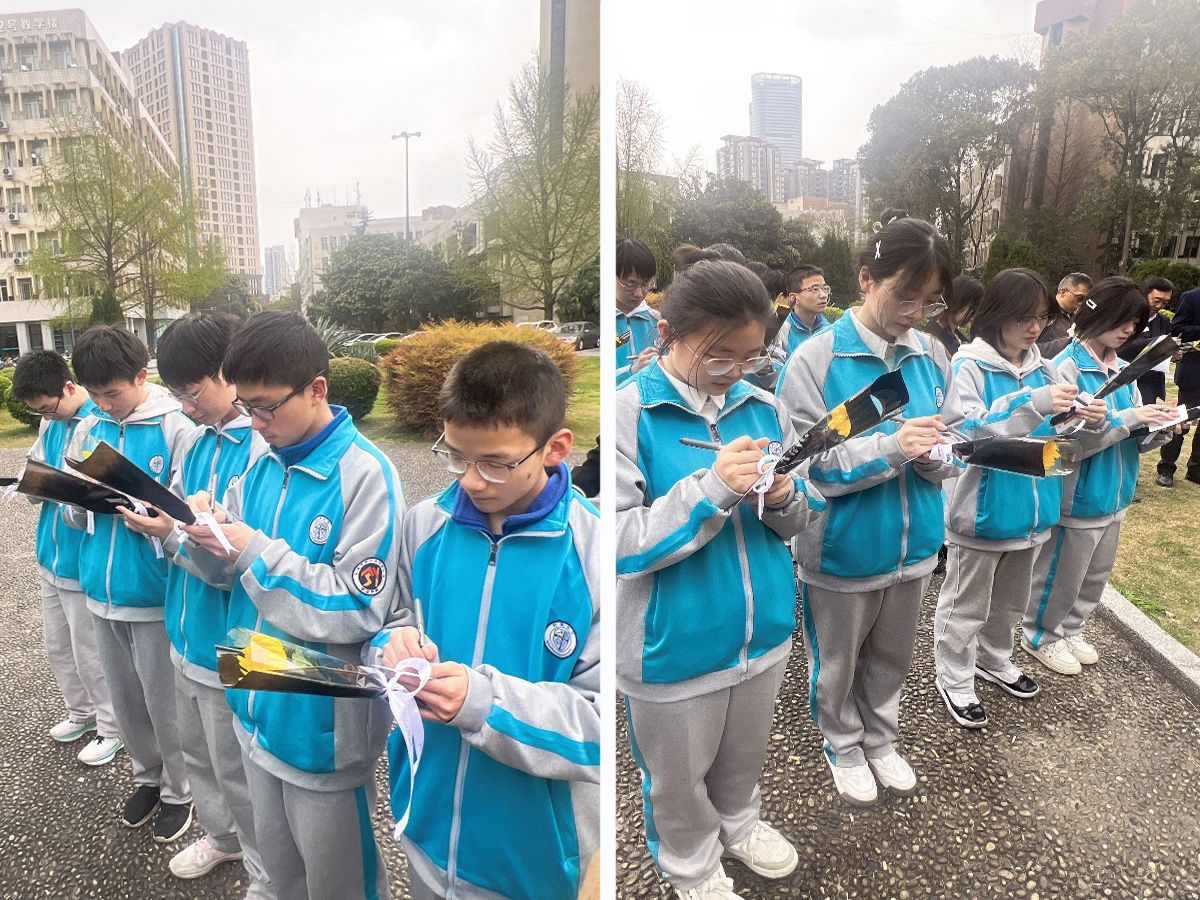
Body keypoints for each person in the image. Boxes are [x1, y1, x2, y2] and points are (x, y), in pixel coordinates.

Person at [179, 311, 404, 900]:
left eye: (266, 408)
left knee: (338, 879)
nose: (255, 423)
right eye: (246, 406)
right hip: (251, 694)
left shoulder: (367, 476)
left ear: (317, 389)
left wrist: (254, 550)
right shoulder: (260, 462)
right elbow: (226, 574)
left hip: (320, 722)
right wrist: (199, 534)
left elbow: (358, 608)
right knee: (279, 867)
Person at [616, 260, 823, 899]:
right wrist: (710, 490)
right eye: (718, 357)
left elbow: (802, 514)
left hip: (763, 632)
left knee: (744, 755)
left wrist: (785, 496)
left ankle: (739, 822)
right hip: (672, 647)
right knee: (676, 778)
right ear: (667, 334)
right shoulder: (630, 412)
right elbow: (617, 543)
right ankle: (691, 863)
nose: (735, 372)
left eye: (751, 356)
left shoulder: (763, 407)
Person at [371, 341, 600, 900]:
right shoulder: (423, 525)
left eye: (496, 463)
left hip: (531, 863)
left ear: (556, 448)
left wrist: (484, 704)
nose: (471, 480)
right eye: (456, 456)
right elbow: (390, 619)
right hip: (424, 831)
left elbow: (599, 731)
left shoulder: (595, 552)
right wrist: (391, 645)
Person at [776, 209, 960, 808]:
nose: (916, 313)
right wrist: (894, 448)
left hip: (915, 545)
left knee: (892, 657)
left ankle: (881, 738)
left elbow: (952, 441)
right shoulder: (816, 361)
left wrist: (937, 457)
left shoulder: (931, 355)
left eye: (929, 301)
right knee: (836, 662)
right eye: (906, 296)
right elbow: (803, 465)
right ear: (865, 279)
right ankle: (843, 743)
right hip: (842, 549)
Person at [116, 314, 272, 893]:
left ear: (230, 374)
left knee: (239, 770)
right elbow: (180, 514)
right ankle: (223, 837)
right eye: (177, 394)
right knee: (199, 754)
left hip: (228, 642)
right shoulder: (202, 441)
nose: (185, 407)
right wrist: (163, 523)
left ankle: (265, 872)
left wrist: (173, 536)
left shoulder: (260, 451)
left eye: (193, 392)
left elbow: (242, 563)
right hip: (183, 630)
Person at [932, 269, 1103, 729]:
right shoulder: (968, 366)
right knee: (966, 605)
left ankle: (993, 658)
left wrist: (1080, 415)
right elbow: (967, 433)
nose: (1034, 328)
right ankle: (954, 676)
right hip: (982, 512)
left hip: (1034, 510)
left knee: (1010, 601)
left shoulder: (1043, 367)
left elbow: (1056, 434)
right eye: (1024, 317)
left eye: (1041, 318)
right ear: (996, 315)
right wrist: (1036, 401)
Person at [62, 325, 197, 842]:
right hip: (100, 589)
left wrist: (153, 517)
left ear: (142, 377)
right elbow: (73, 512)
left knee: (165, 702)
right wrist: (79, 500)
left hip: (153, 591)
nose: (103, 404)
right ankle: (147, 776)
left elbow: (188, 514)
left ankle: (179, 790)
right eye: (93, 393)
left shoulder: (175, 427)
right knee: (125, 700)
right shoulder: (87, 426)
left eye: (112, 393)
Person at [1023, 278, 1175, 676]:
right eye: (1123, 319)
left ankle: (1071, 629)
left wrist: (1161, 427)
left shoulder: (1124, 370)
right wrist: (1129, 419)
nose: (1129, 330)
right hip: (1077, 497)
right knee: (1061, 575)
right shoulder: (1064, 368)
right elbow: (1062, 444)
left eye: (1136, 323)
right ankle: (1040, 634)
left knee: (1094, 576)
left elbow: (1131, 438)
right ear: (1098, 312)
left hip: (1114, 494)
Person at [10, 351, 121, 766]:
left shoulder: (97, 424)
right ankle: (82, 713)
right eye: (37, 411)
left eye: (47, 407)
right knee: (59, 647)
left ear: (69, 388)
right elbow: (36, 468)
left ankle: (112, 727)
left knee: (90, 651)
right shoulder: (50, 423)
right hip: (50, 554)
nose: (45, 416)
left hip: (80, 559)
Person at [1158, 282, 1200, 486]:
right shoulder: (1192, 297)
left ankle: (1196, 469)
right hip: (1194, 371)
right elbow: (1177, 329)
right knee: (1181, 421)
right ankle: (1166, 468)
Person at [1118, 275, 1174, 406]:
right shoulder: (1127, 317)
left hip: (1150, 383)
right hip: (1126, 378)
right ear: (1144, 295)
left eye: (1165, 302)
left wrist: (1172, 352)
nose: (1160, 306)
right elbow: (1121, 346)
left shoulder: (1163, 321)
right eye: (1156, 300)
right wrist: (1157, 342)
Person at [616, 237, 661, 385]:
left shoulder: (658, 322)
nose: (639, 293)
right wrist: (633, 371)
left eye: (645, 285)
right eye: (630, 284)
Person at [769, 265, 831, 362]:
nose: (823, 295)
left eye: (825, 288)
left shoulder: (829, 330)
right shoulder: (781, 332)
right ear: (794, 298)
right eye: (815, 289)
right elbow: (776, 367)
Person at [924, 273, 981, 358]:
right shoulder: (933, 337)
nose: (975, 315)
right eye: (973, 308)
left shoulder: (959, 337)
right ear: (958, 301)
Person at [1038, 272, 1092, 358]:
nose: (1082, 304)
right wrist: (1069, 341)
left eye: (1086, 301)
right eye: (1080, 298)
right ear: (1063, 292)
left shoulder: (1077, 318)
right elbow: (1029, 348)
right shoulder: (1043, 314)